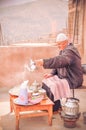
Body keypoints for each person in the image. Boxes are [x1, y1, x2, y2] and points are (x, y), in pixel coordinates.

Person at [35, 33, 83, 112]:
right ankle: (50, 105)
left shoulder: (70, 51)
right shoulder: (63, 51)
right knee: (46, 81)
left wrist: (44, 62)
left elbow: (60, 61)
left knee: (53, 85)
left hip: (73, 79)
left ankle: (55, 109)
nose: (58, 46)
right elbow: (59, 64)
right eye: (57, 44)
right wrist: (52, 74)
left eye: (59, 44)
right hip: (64, 77)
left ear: (66, 42)